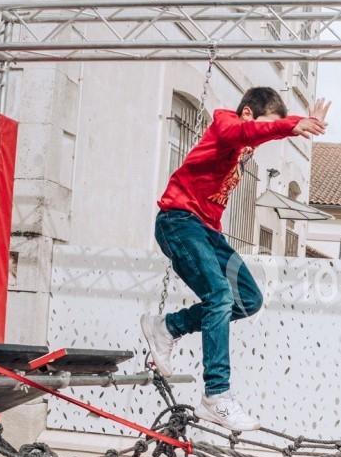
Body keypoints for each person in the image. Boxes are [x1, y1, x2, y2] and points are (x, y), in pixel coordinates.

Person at [141, 87, 329, 432]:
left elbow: (248, 140)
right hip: (178, 223)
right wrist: (292, 125)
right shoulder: (225, 124)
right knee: (219, 296)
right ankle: (216, 395)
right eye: (264, 126)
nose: (262, 137)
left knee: (248, 299)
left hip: (207, 233)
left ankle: (167, 326)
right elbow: (240, 132)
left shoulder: (241, 144)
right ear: (247, 114)